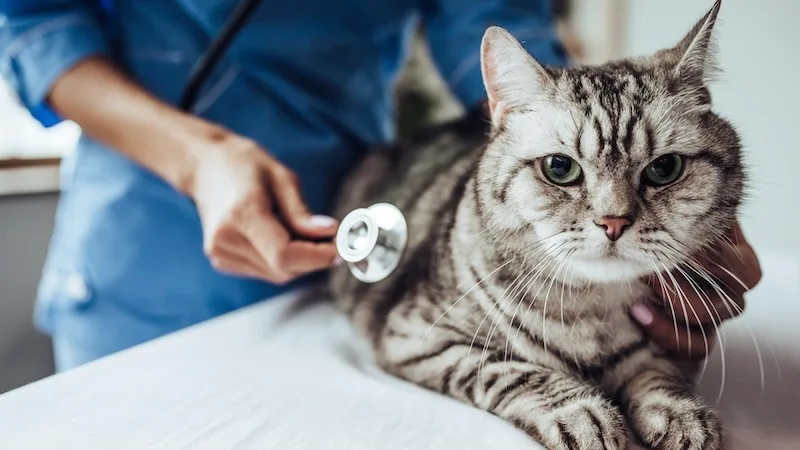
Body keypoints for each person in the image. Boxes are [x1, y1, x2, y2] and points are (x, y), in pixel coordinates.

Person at [0, 0, 760, 372]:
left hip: (361, 226)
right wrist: (197, 158)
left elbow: (488, 21)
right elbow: (35, 20)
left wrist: (603, 157)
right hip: (144, 244)